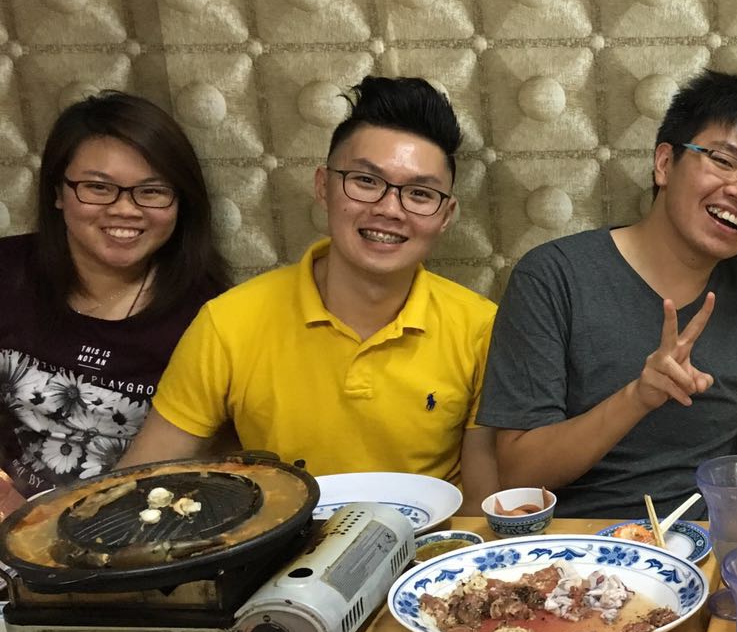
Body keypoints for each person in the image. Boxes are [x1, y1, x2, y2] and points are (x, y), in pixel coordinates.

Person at [120, 77, 497, 506]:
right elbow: (142, 480)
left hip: (432, 542)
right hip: (286, 540)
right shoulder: (229, 323)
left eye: (420, 193)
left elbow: (483, 507)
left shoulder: (481, 328)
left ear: (446, 215)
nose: (390, 209)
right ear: (323, 186)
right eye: (366, 181)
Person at [479, 70, 737, 518]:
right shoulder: (554, 277)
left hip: (707, 549)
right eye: (723, 161)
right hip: (581, 547)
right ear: (665, 163)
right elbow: (520, 473)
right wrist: (638, 397)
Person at [0, 91, 228, 497]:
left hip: (127, 518)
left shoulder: (212, 318)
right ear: (58, 192)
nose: (125, 209)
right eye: (97, 187)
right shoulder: (9, 270)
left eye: (152, 191)